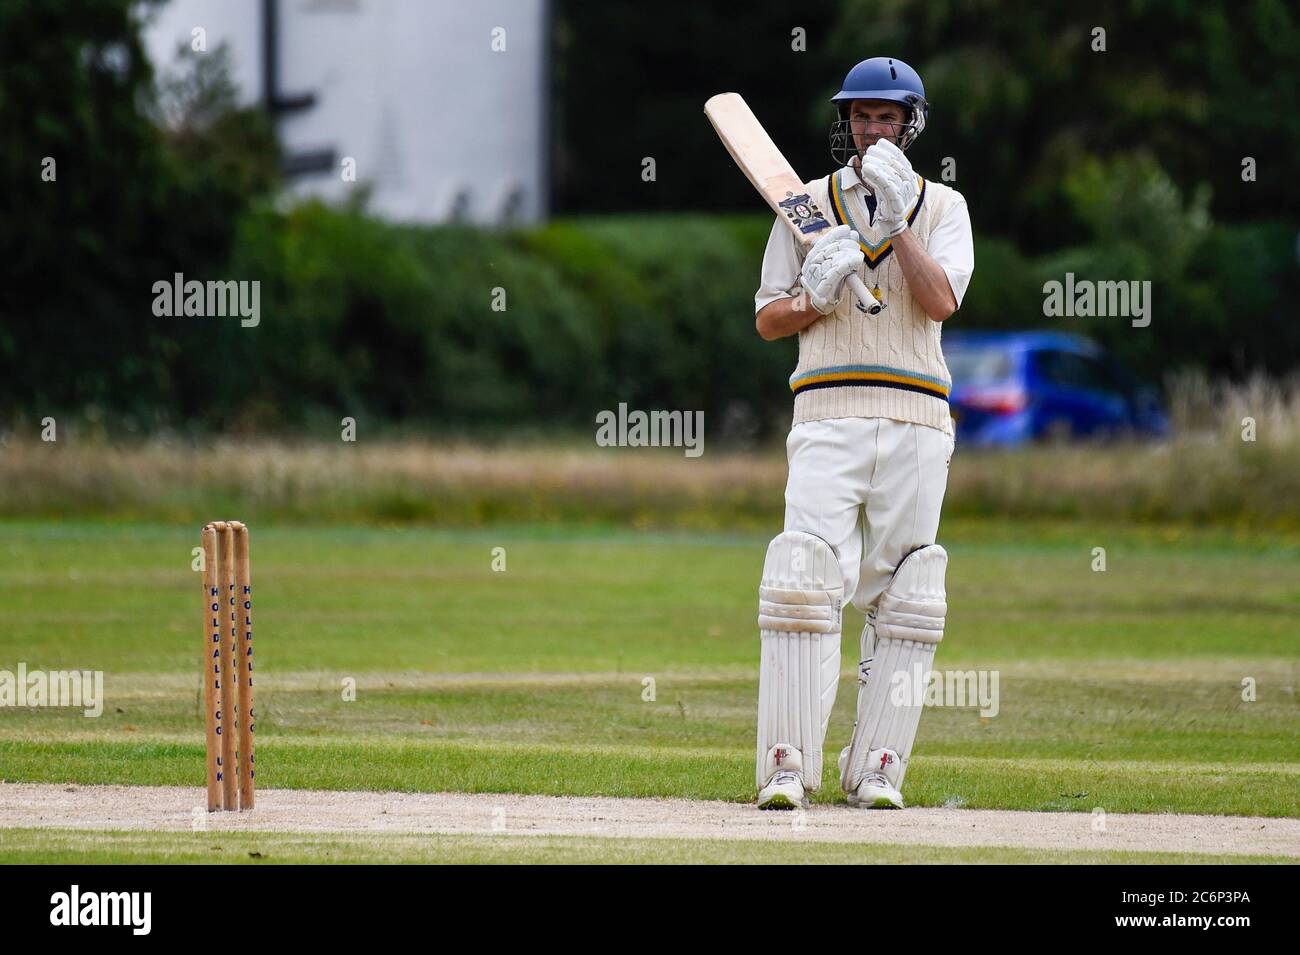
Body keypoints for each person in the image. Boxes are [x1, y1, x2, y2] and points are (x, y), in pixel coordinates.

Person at [753, 56, 974, 810]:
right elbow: (766, 317)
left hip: (916, 420)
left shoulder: (944, 206)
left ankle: (878, 767)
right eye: (861, 116)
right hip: (826, 412)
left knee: (910, 593)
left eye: (887, 117)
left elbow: (940, 302)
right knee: (802, 577)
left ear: (911, 124)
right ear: (845, 122)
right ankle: (788, 766)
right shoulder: (804, 207)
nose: (872, 128)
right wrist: (814, 296)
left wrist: (900, 219)